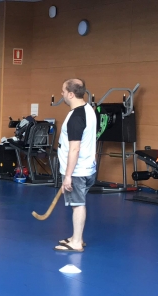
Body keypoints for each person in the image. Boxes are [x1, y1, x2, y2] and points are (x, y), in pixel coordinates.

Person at [54, 78, 96, 253]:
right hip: (87, 167)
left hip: (77, 171)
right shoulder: (88, 109)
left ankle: (77, 242)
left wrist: (68, 176)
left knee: (78, 204)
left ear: (71, 94)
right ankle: (75, 237)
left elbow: (74, 149)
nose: (62, 94)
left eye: (63, 91)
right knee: (76, 203)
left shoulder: (76, 117)